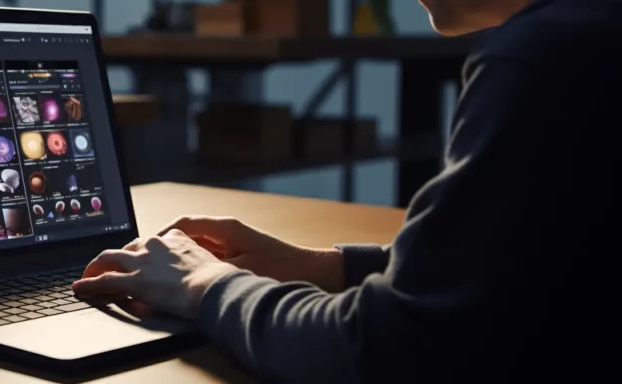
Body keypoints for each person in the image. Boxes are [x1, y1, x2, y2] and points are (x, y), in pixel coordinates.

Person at [73, 0, 622, 381]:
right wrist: (329, 268)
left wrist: (208, 284)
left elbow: (385, 353)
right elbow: (530, 265)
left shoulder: (550, 55)